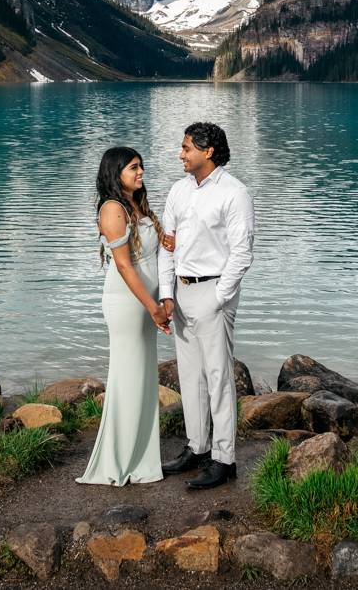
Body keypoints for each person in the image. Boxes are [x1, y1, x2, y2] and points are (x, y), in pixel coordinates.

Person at [156, 121, 254, 490]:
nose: (181, 154)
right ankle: (196, 448)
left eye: (186, 148)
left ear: (208, 151)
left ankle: (224, 459)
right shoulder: (178, 191)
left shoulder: (234, 193)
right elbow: (168, 246)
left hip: (214, 294)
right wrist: (167, 294)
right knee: (190, 377)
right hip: (180, 295)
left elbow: (242, 253)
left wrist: (219, 297)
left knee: (218, 379)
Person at [76, 146, 175, 487]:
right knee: (128, 377)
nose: (141, 172)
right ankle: (119, 459)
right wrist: (152, 306)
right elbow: (123, 264)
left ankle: (141, 455)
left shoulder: (137, 205)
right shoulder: (113, 208)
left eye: (141, 166)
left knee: (143, 378)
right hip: (128, 303)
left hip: (147, 302)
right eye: (134, 167)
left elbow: (157, 250)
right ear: (115, 171)